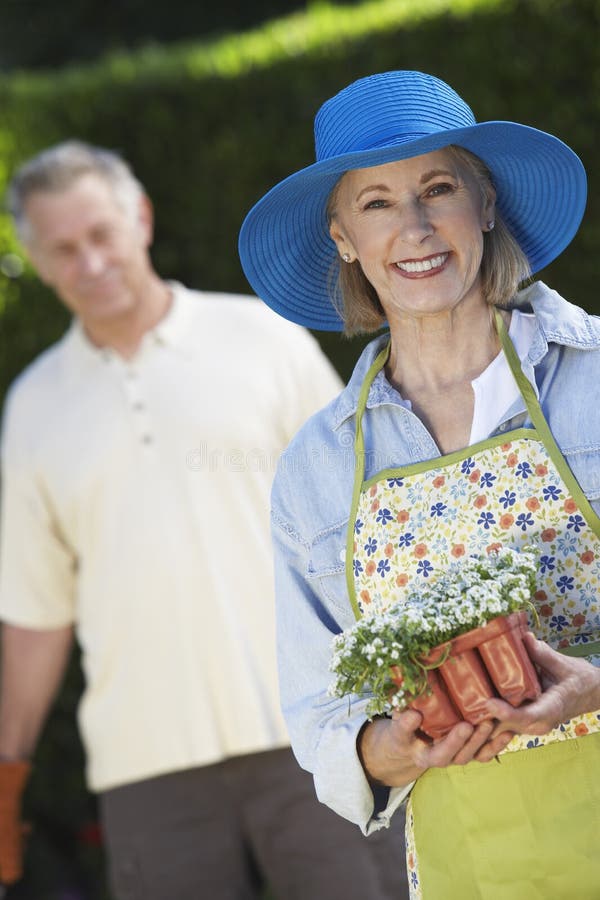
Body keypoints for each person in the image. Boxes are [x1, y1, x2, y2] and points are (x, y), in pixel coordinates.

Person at [0, 140, 410, 900]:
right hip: (144, 767)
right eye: (62, 249)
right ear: (38, 259)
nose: (88, 263)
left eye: (100, 235)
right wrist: (7, 767)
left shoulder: (264, 340)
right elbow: (34, 612)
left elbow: (363, 518)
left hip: (318, 732)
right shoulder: (31, 409)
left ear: (141, 220)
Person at [238, 70, 600, 898]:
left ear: (486, 204)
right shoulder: (319, 469)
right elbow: (322, 715)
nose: (414, 227)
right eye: (376, 203)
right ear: (341, 237)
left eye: (439, 188)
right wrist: (392, 747)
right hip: (470, 867)